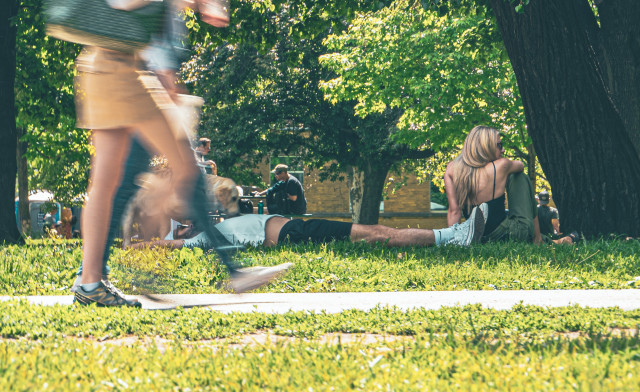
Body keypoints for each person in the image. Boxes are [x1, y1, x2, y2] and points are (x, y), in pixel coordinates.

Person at [70, 0, 287, 301]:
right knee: (175, 171)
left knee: (113, 182)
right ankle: (119, 275)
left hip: (118, 68)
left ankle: (91, 280)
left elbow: (147, 4)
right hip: (122, 72)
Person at [131, 201, 490, 251]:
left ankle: (451, 236)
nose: (184, 226)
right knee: (377, 234)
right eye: (178, 228)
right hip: (294, 234)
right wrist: (134, 248)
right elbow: (165, 245)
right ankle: (451, 237)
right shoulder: (200, 242)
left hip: (296, 228)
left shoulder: (212, 227)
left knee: (376, 232)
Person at [443, 126, 576, 245]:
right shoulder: (501, 165)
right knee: (519, 176)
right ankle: (538, 239)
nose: (503, 150)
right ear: (486, 146)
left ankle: (552, 241)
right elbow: (521, 165)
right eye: (499, 145)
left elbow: (454, 211)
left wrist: (453, 237)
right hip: (506, 233)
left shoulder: (452, 169)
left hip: (479, 236)